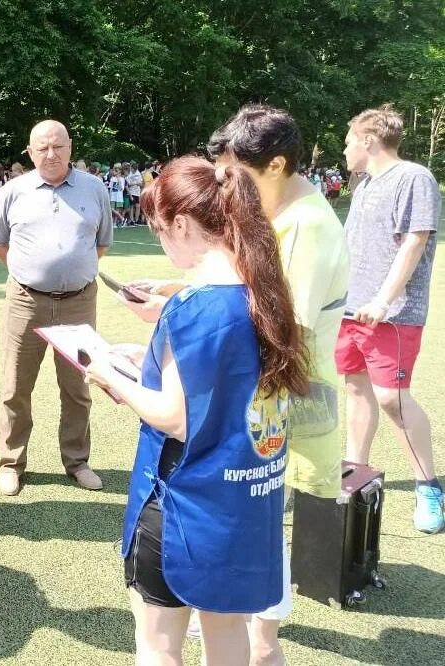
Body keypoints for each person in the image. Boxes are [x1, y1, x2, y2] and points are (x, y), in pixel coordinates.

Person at [85, 156, 310, 666]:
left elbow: (176, 416)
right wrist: (146, 361)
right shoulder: (266, 295)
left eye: (161, 230)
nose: (162, 241)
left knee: (159, 647)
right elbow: (223, 383)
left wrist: (110, 377)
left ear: (182, 224)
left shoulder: (196, 307)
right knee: (229, 642)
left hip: (184, 502)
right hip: (246, 503)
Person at [207, 103, 349, 665]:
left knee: (267, 521)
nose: (230, 188)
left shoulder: (308, 225)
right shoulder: (281, 212)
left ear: (278, 165)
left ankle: (263, 645)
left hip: (289, 396)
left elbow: (287, 328)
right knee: (256, 514)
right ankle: (242, 627)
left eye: (240, 176)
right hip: (270, 391)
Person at [0, 119, 113, 496]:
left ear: (71, 147)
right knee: (16, 386)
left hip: (79, 303)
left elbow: (101, 243)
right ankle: (11, 463)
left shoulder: (94, 189)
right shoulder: (14, 190)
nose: (50, 153)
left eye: (58, 146)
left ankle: (77, 461)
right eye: (42, 147)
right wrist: (31, 274)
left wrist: (72, 272)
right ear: (29, 151)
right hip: (26, 302)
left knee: (77, 388)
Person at [338, 105, 443, 534]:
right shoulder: (363, 186)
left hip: (393, 314)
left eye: (348, 141)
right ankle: (354, 472)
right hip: (351, 309)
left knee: (391, 397)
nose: (344, 150)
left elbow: (414, 242)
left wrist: (383, 299)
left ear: (367, 139)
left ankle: (430, 486)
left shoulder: (414, 177)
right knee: (357, 389)